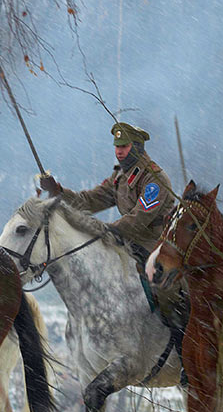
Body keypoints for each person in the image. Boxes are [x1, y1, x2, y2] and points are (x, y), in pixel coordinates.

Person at [39, 123, 186, 330]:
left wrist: (108, 231)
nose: (118, 151)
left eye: (124, 146)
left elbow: (139, 219)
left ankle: (178, 334)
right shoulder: (120, 177)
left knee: (163, 285)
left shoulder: (154, 179)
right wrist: (59, 191)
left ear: (137, 147)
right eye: (117, 146)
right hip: (126, 238)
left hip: (155, 242)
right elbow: (89, 201)